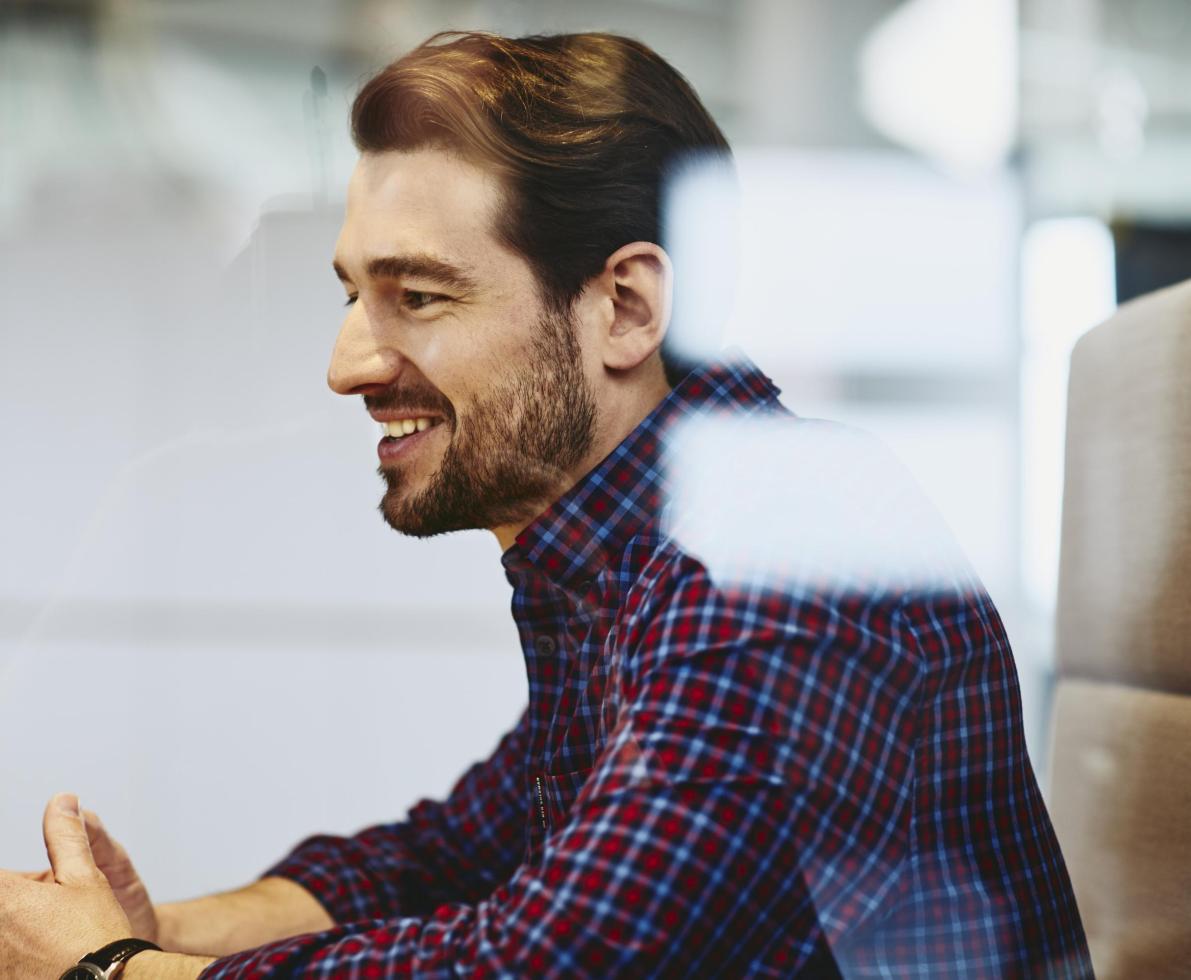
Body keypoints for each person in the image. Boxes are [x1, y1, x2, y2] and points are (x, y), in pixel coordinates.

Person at [0, 31, 1092, 979]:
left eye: (415, 295)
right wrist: (164, 930)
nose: (344, 364)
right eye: (352, 293)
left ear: (624, 307)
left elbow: (545, 961)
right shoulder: (637, 551)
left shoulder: (778, 554)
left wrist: (112, 968)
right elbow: (455, 851)